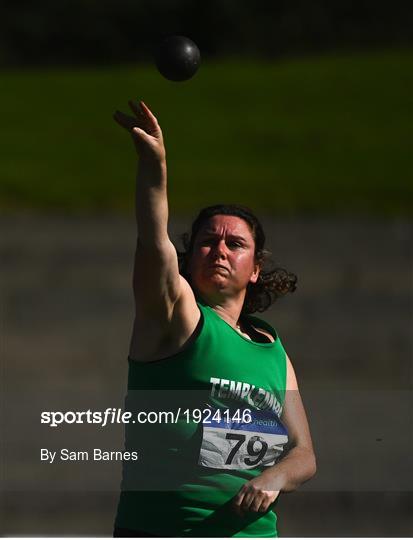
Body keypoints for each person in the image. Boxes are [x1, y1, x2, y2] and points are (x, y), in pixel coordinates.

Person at [112, 100, 316, 537]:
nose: (220, 249)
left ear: (256, 268)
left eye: (235, 244)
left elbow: (303, 454)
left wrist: (274, 478)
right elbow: (153, 243)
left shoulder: (272, 350)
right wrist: (155, 165)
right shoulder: (176, 317)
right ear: (191, 257)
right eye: (208, 241)